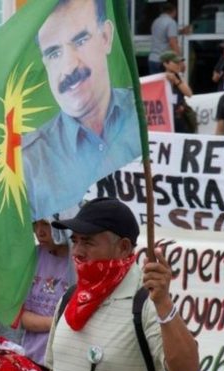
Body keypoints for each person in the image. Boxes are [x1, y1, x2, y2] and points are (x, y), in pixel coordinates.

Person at [45, 197, 199, 371]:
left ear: (124, 247)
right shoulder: (69, 299)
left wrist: (164, 303)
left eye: (88, 241)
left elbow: (186, 370)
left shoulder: (147, 303)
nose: (78, 251)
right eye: (75, 241)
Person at [21, 0, 140, 219]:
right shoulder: (31, 161)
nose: (69, 66)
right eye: (54, 53)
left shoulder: (143, 119)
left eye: (81, 40)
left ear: (106, 37)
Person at [20, 217, 74, 371]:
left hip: (66, 365)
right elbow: (22, 317)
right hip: (31, 361)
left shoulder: (80, 262)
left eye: (45, 224)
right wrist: (59, 322)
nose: (39, 232)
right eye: (35, 224)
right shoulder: (32, 258)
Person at [148, 2, 190, 74]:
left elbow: (163, 34)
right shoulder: (171, 22)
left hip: (153, 59)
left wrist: (181, 31)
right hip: (164, 62)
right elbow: (173, 43)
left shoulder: (156, 21)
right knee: (168, 84)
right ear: (174, 11)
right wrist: (180, 61)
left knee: (157, 84)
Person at [160, 51, 195, 134]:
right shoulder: (158, 79)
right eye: (175, 62)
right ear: (166, 64)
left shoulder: (178, 77)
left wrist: (176, 81)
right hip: (166, 119)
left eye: (179, 62)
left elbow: (189, 93)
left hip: (180, 118)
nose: (179, 65)